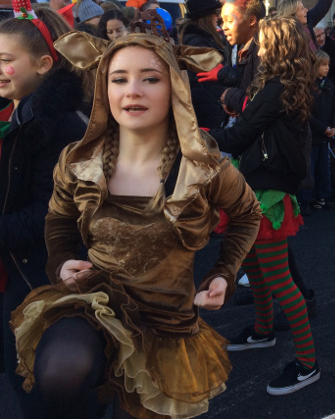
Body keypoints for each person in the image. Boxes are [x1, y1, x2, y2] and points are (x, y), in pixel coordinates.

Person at [11, 30, 263, 418]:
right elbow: (59, 215)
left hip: (167, 325)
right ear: (103, 88)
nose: (133, 90)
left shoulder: (204, 168)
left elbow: (248, 213)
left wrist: (224, 273)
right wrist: (61, 260)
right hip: (95, 304)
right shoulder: (79, 159)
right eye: (119, 78)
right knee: (61, 373)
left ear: (175, 87)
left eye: (150, 78)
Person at [209, 17, 321, 395]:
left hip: (267, 190)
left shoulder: (276, 87)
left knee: (280, 281)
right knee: (254, 265)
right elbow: (252, 125)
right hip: (258, 181)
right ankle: (263, 330)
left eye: (263, 43)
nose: (256, 48)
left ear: (276, 48)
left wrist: (197, 137)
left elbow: (240, 137)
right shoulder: (284, 84)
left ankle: (308, 364)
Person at [0, 0, 87, 416]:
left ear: (43, 65)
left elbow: (49, 213)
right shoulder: (16, 111)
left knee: (37, 388)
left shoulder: (57, 125)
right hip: (14, 269)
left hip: (37, 276)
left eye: (5, 60)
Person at [180, 0, 229, 129]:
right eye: (215, 13)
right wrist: (225, 99)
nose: (218, 17)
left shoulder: (198, 39)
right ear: (206, 17)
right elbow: (209, 80)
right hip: (206, 111)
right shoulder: (197, 43)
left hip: (204, 108)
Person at [300, 50, 335, 213]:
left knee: (324, 168)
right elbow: (306, 113)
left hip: (326, 135)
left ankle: (323, 197)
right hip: (313, 135)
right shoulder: (308, 86)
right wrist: (323, 128)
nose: (327, 68)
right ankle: (306, 199)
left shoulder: (329, 85)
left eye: (328, 65)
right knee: (310, 167)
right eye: (323, 65)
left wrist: (334, 126)